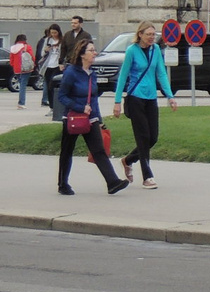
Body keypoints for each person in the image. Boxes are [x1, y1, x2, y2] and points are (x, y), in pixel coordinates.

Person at [57, 39, 129, 197]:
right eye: (91, 50)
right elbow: (62, 96)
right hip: (73, 118)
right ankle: (63, 184)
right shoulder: (71, 72)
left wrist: (99, 120)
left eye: (94, 50)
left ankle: (112, 182)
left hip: (91, 119)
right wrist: (79, 107)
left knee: (99, 150)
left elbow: (94, 98)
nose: (95, 53)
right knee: (67, 151)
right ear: (82, 54)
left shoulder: (92, 74)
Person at [112, 21, 177, 190]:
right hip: (135, 98)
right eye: (148, 34)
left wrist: (170, 96)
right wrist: (117, 101)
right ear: (140, 34)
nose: (151, 38)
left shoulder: (156, 50)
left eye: (153, 35)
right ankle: (147, 176)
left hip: (150, 98)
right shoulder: (132, 51)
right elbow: (122, 77)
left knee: (153, 137)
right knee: (142, 138)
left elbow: (161, 73)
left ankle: (128, 160)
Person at [36, 24, 64, 119]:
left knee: (54, 85)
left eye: (55, 33)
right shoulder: (48, 40)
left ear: (58, 32)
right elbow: (42, 53)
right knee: (48, 87)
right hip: (48, 65)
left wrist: (62, 62)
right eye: (52, 33)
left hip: (57, 65)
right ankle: (51, 107)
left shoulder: (62, 41)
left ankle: (58, 107)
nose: (53, 34)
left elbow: (64, 53)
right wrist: (45, 50)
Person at [8, 34, 35, 107]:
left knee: (21, 84)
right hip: (26, 69)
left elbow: (11, 60)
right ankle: (21, 102)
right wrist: (34, 64)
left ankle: (21, 102)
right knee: (23, 86)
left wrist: (14, 65)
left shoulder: (13, 48)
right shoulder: (27, 47)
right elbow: (32, 57)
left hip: (16, 69)